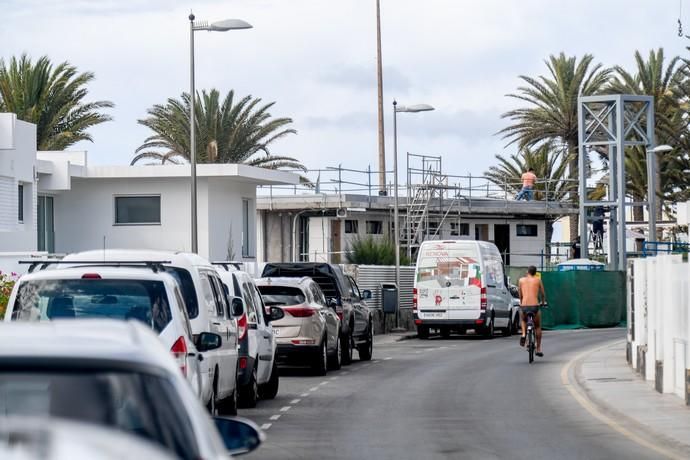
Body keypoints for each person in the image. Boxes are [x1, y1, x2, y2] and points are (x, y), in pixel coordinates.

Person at [518, 266, 546, 356]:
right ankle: (538, 349)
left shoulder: (521, 280)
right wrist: (543, 302)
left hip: (524, 306)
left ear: (527, 272)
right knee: (537, 326)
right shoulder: (538, 280)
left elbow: (520, 294)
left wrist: (521, 302)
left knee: (523, 320)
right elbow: (542, 293)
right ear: (535, 273)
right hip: (535, 306)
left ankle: (523, 334)